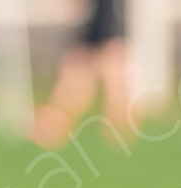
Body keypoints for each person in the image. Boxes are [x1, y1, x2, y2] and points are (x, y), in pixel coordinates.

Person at [32, 0, 129, 149]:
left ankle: (119, 135)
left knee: (112, 72)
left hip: (105, 25)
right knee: (85, 70)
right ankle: (53, 126)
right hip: (96, 26)